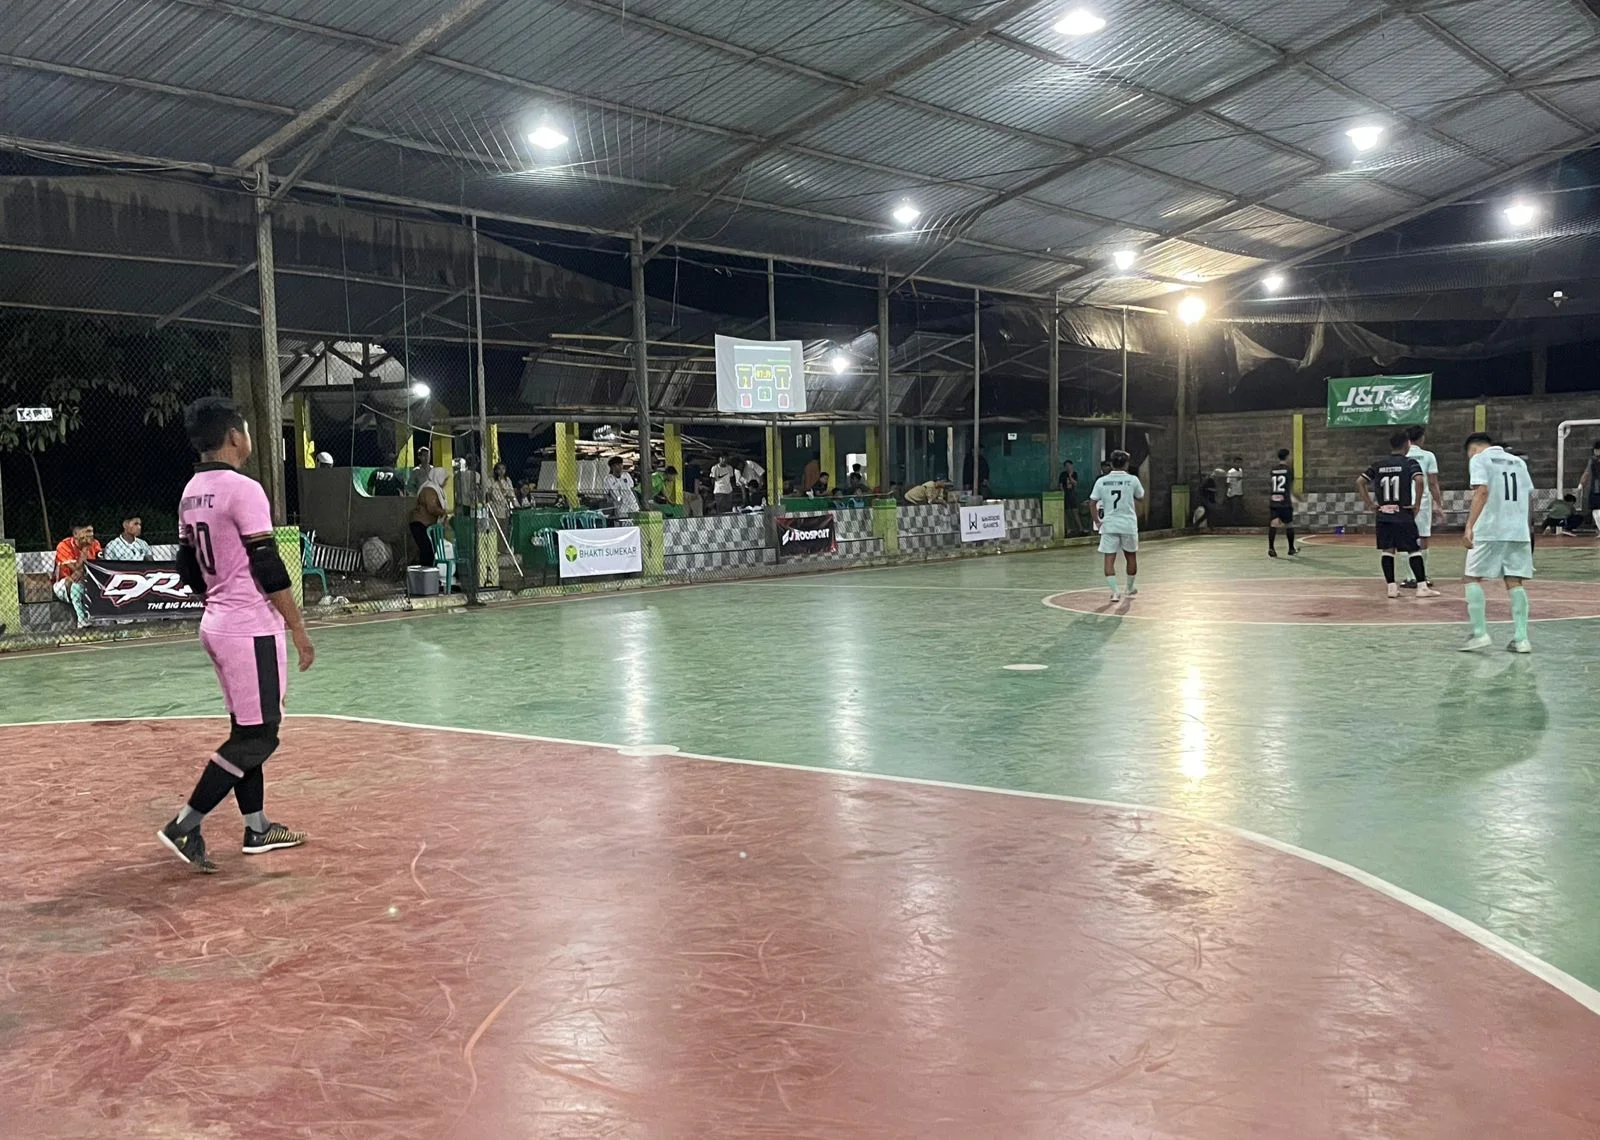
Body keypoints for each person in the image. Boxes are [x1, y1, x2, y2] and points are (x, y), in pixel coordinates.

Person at [157, 396, 315, 872]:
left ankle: (258, 827)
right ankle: (185, 824)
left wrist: (219, 596)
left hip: (218, 624)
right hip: (249, 628)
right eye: (245, 429)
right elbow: (267, 563)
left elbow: (187, 566)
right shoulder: (243, 489)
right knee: (259, 737)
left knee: (246, 730)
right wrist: (298, 627)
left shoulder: (191, 492)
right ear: (234, 436)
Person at [1461, 432, 1535, 653]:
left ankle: (1480, 633)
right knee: (1514, 581)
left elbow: (1482, 491)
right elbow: (1528, 497)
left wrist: (1469, 526)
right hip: (1518, 530)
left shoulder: (1479, 459)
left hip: (1490, 529)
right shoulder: (1519, 463)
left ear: (1473, 448)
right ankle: (1522, 639)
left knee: (1471, 577)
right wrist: (1528, 529)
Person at [1357, 430, 1437, 600]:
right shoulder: (1410, 463)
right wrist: (1416, 504)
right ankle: (1422, 587)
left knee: (1387, 550)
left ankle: (1391, 588)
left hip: (1384, 514)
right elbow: (1419, 480)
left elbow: (1360, 481)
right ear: (1407, 444)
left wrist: (1370, 504)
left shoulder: (1378, 464)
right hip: (1403, 513)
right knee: (1413, 549)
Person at [1089, 450, 1144, 603]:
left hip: (1109, 525)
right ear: (1126, 464)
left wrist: (1097, 521)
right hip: (1128, 524)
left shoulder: (1101, 481)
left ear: (1111, 464)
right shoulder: (1132, 480)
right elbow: (1140, 497)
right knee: (1131, 556)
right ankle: (1129, 588)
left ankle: (1115, 592)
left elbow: (1092, 502)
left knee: (1109, 559)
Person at [1402, 425, 1444, 589]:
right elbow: (1433, 482)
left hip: (1404, 501)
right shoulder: (1428, 456)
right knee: (1423, 537)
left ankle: (1409, 577)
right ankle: (1422, 575)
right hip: (1423, 501)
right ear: (1421, 438)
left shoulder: (1402, 456)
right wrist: (1438, 503)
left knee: (1405, 537)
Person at [52, 523, 101, 629]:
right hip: (63, 584)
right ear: (76, 534)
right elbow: (75, 569)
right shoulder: (64, 545)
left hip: (87, 579)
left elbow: (100, 565)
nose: (91, 534)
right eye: (87, 531)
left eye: (92, 531)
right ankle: (82, 620)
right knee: (76, 585)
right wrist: (84, 550)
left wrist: (83, 570)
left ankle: (87, 620)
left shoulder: (95, 543)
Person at [409, 466, 449, 567]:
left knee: (428, 551)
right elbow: (431, 508)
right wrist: (444, 512)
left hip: (425, 525)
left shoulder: (436, 489)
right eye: (445, 479)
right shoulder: (429, 489)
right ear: (439, 477)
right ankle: (426, 573)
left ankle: (426, 572)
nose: (446, 483)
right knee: (427, 551)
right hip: (420, 524)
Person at [1266, 449, 1297, 557]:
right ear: (1287, 457)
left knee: (1273, 523)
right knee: (1289, 524)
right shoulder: (1288, 470)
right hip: (1285, 501)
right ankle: (1291, 548)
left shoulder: (1273, 469)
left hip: (1274, 500)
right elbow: (1290, 485)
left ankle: (1271, 548)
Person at [1573, 440, 1600, 532]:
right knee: (1595, 510)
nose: (1596, 452)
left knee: (1597, 510)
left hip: (1596, 487)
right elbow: (1587, 472)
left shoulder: (1593, 460)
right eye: (1595, 450)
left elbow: (1587, 473)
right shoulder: (1592, 460)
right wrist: (1581, 484)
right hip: (1595, 488)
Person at [1224, 457, 1244, 523]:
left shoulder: (1240, 470)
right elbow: (1228, 483)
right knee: (1234, 509)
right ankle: (1233, 522)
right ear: (1234, 463)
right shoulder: (1231, 472)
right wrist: (1227, 493)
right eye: (1237, 463)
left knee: (1239, 509)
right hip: (1233, 493)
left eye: (1240, 463)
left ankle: (1237, 522)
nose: (1238, 464)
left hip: (1240, 492)